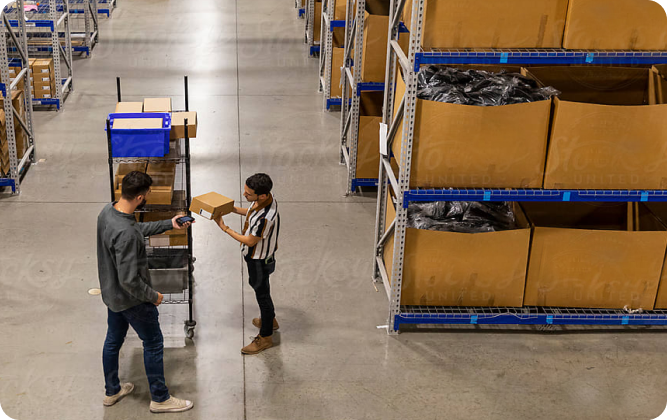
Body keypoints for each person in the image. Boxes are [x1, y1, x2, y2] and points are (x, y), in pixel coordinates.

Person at [97, 171, 194, 413]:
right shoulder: (127, 234)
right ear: (140, 197)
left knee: (113, 341)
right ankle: (160, 399)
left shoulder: (108, 212)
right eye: (148, 193)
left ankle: (112, 390)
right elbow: (130, 280)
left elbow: (134, 229)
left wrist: (168, 223)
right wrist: (154, 296)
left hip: (113, 295)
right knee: (153, 342)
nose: (149, 196)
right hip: (133, 301)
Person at [215, 173, 281, 355]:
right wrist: (232, 209)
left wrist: (224, 228)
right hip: (259, 258)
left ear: (262, 195)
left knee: (262, 295)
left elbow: (251, 241)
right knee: (262, 289)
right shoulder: (267, 199)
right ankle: (270, 320)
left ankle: (265, 337)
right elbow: (251, 212)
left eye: (248, 194)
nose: (244, 195)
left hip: (258, 260)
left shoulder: (265, 218)